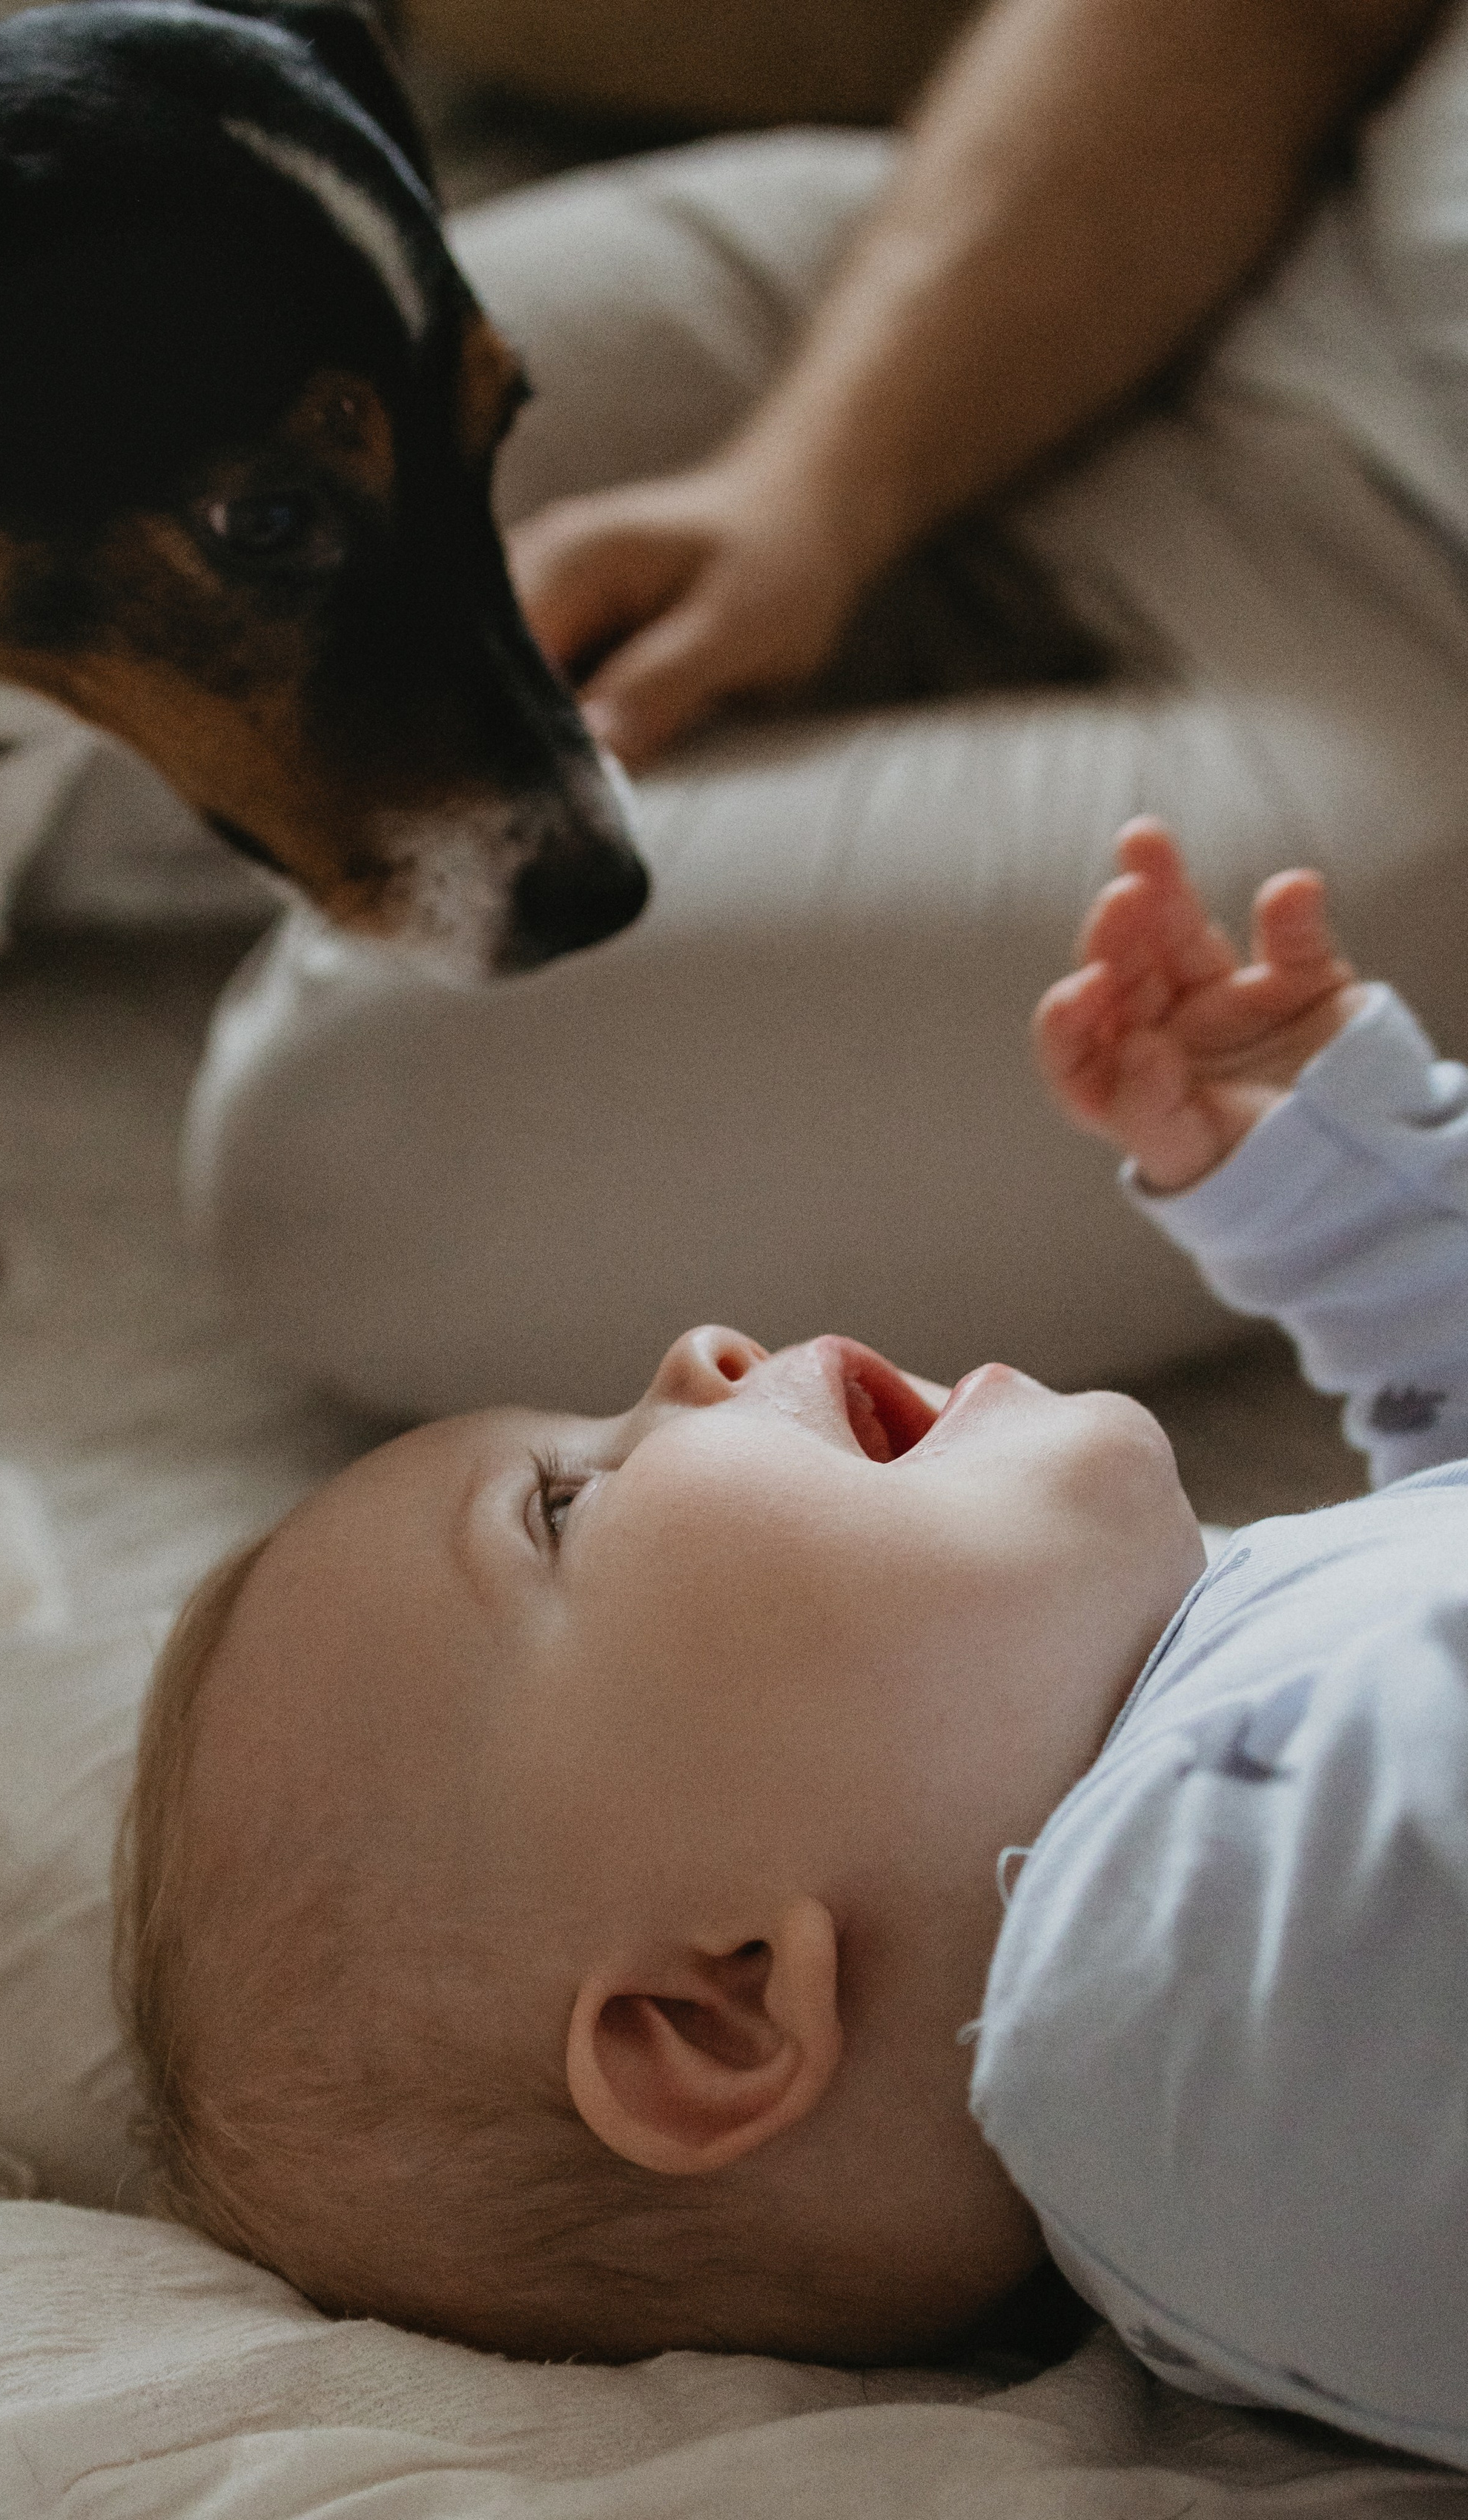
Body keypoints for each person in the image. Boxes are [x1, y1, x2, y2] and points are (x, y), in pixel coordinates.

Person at [124, 818, 1468, 2468]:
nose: (695, 1350)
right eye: (559, 1505)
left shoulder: (1204, 1750)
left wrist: (1344, 1211)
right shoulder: (1171, 2036)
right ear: (719, 2009)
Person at [185, 0, 1468, 1421]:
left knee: (357, 1149)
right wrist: (807, 489)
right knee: (114, 504)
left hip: (1424, 670)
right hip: (1225, 231)